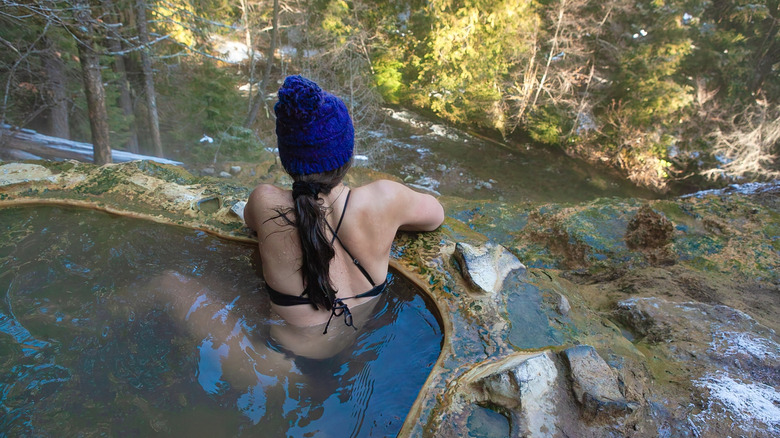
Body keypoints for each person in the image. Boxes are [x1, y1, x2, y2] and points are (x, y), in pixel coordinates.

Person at [244, 75, 444, 337]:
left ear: (286, 158)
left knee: (171, 283)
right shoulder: (386, 198)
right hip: (359, 348)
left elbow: (250, 223)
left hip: (282, 360)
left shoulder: (265, 202)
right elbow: (436, 216)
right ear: (348, 153)